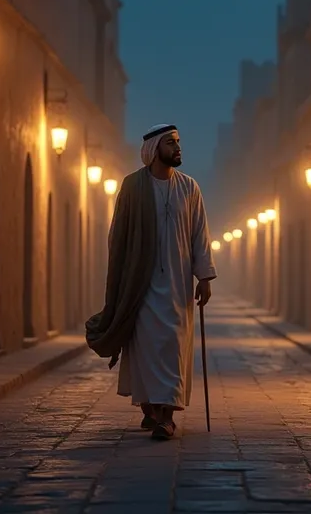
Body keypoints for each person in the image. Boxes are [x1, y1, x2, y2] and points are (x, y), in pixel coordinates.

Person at [85, 123, 216, 441]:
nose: (178, 148)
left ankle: (167, 416)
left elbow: (200, 233)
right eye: (171, 143)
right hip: (139, 284)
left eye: (179, 142)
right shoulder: (132, 187)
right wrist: (122, 276)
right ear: (154, 149)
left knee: (171, 346)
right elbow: (118, 236)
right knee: (143, 348)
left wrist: (205, 276)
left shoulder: (189, 188)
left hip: (177, 285)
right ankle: (150, 407)